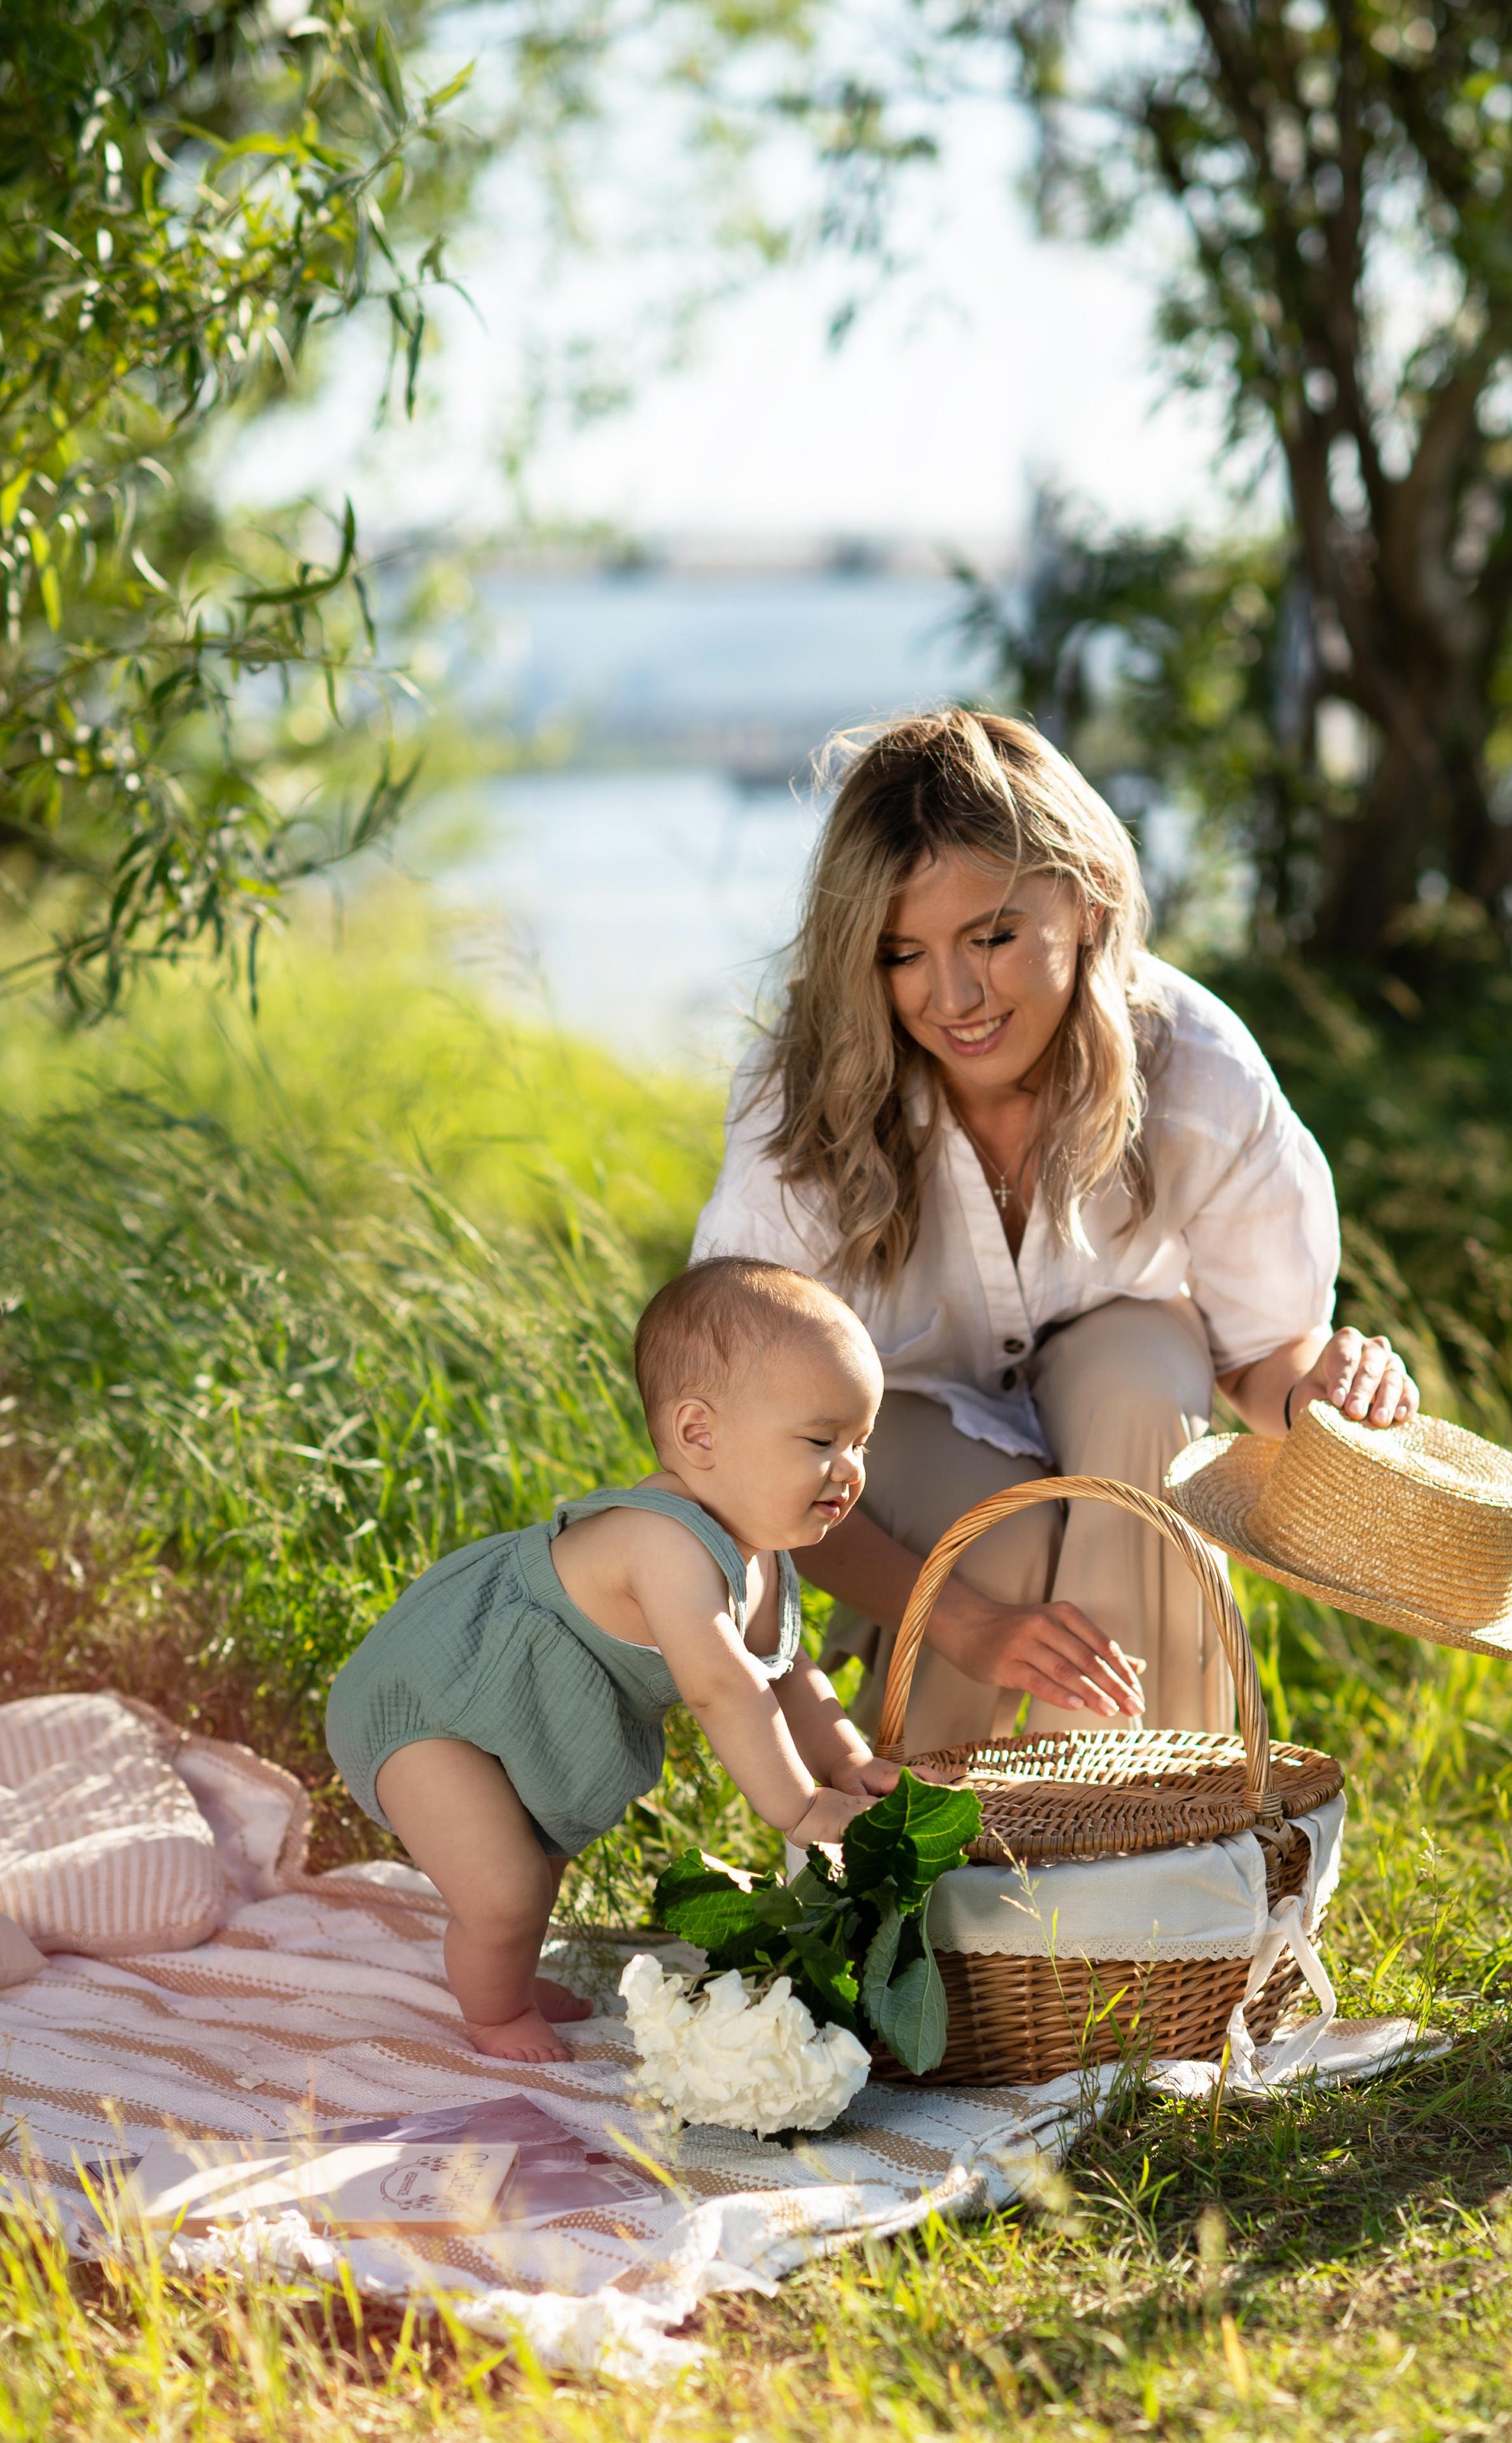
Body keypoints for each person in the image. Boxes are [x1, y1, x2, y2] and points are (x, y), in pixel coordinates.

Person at [691, 708, 1419, 1755]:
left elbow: (1264, 1358)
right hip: (868, 1443)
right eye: (904, 953)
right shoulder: (803, 1087)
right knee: (1003, 1531)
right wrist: (961, 1615)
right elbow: (741, 1448)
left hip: (1115, 1393)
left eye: (992, 936)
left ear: (1085, 903)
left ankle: (1137, 1832)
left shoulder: (1197, 1067)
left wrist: (1328, 1391)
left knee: (1144, 1372)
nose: (953, 997)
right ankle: (912, 1875)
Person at [326, 1257, 897, 2063]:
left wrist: (845, 1761)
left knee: (536, 1854)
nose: (849, 1468)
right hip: (431, 1704)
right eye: (820, 1440)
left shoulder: (759, 1552)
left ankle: (511, 1979)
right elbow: (721, 1687)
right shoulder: (662, 1541)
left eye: (860, 1441)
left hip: (522, 1716)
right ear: (699, 1434)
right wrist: (798, 1809)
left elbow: (784, 1668)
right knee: (508, 1890)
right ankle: (494, 2017)